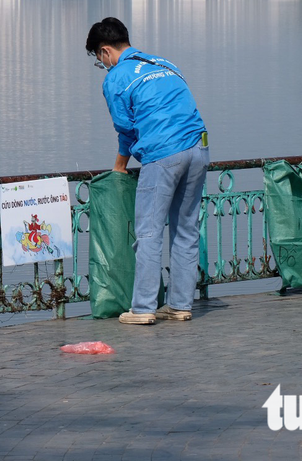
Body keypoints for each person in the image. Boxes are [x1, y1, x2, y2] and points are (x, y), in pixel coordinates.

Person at [85, 17, 209, 326]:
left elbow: (126, 129)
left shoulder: (115, 78)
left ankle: (142, 308)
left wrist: (119, 166)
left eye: (99, 60)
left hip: (164, 153)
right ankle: (180, 305)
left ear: (105, 52)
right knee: (186, 231)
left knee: (149, 234)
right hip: (199, 147)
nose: (102, 65)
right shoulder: (162, 62)